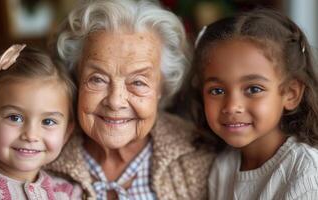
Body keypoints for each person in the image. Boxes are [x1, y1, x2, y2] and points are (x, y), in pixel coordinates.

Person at [45, 0, 216, 199]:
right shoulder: (36, 153)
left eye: (138, 82)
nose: (115, 101)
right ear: (76, 77)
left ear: (161, 88)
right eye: (98, 79)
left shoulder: (199, 156)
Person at [189, 9, 318, 199]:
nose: (232, 106)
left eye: (254, 89)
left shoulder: (306, 172)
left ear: (290, 94)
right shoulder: (224, 166)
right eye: (217, 91)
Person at [0, 44, 81, 199]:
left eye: (48, 121)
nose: (30, 135)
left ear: (66, 133)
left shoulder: (67, 193)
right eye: (15, 118)